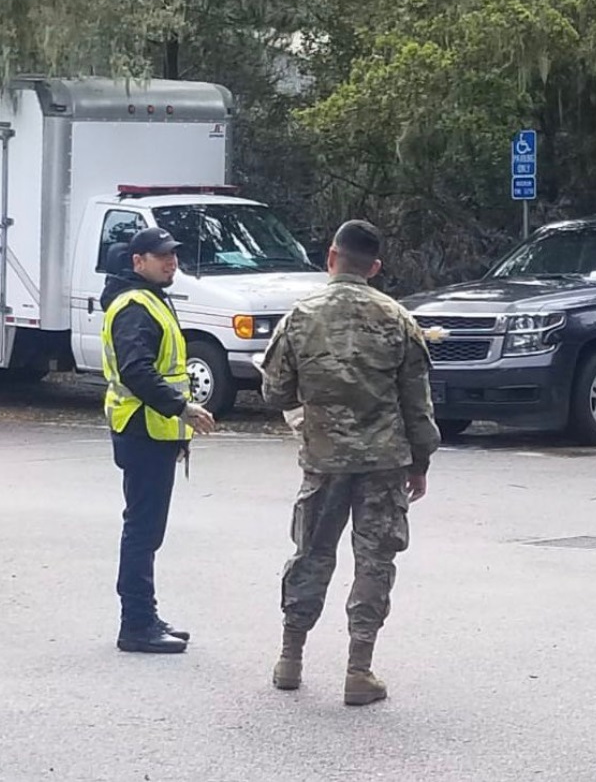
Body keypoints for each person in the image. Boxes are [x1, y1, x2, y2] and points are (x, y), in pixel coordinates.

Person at [260, 219, 441, 706]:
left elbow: (273, 389)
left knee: (311, 554)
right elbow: (417, 406)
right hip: (383, 464)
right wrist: (420, 461)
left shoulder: (300, 316)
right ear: (375, 267)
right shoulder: (398, 319)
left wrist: (312, 412)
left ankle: (290, 659)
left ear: (330, 258)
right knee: (374, 560)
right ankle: (358, 670)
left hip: (323, 460)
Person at [100, 227, 216, 655]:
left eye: (173, 255)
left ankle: (144, 616)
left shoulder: (148, 298)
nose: (171, 262)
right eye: (161, 256)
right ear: (137, 262)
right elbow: (137, 371)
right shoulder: (134, 306)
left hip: (153, 430)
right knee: (143, 530)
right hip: (143, 428)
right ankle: (136, 623)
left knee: (146, 529)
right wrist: (181, 408)